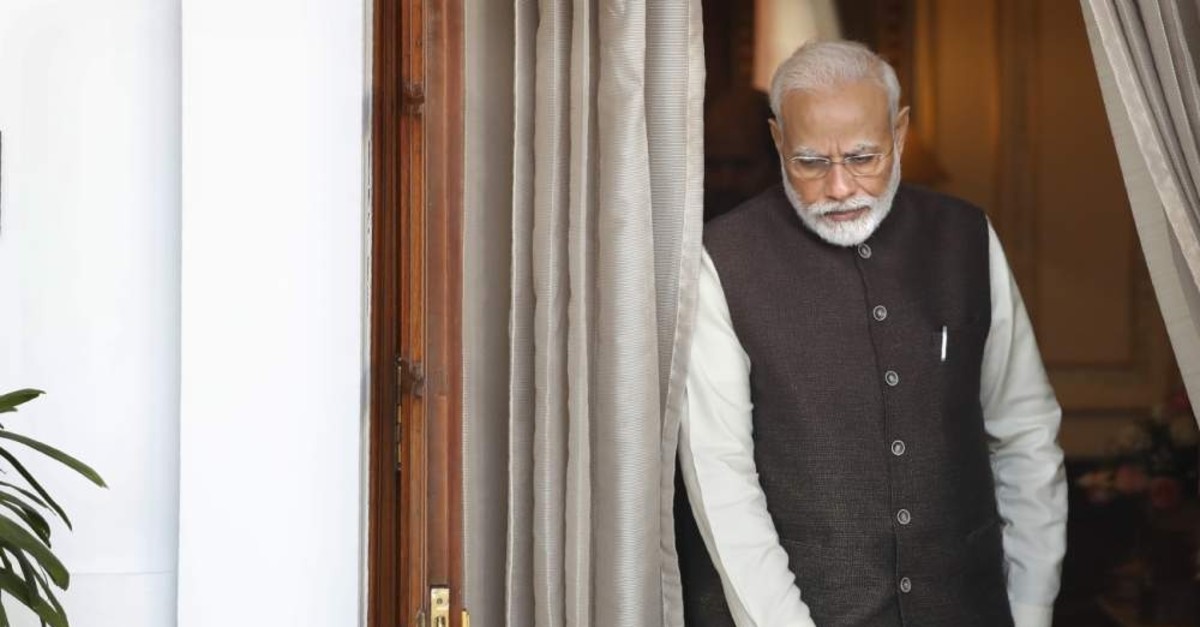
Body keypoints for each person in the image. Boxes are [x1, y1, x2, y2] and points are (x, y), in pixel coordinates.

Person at [677, 41, 1067, 627]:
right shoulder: (720, 260)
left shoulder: (966, 238)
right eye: (810, 161)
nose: (839, 188)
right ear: (779, 141)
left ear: (900, 133)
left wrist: (1031, 607)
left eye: (864, 157)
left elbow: (1026, 433)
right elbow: (720, 479)